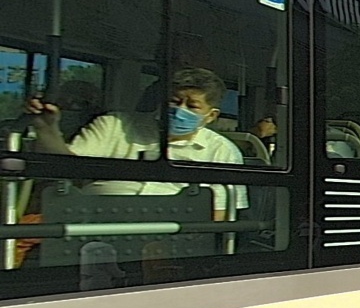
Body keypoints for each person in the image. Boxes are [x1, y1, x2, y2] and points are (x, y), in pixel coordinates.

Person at [23, 66, 247, 219]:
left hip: (172, 236)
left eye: (192, 106)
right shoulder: (114, 125)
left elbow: (220, 214)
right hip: (92, 220)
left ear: (211, 116)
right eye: (174, 101)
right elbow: (66, 166)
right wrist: (47, 129)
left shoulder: (222, 151)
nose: (180, 110)